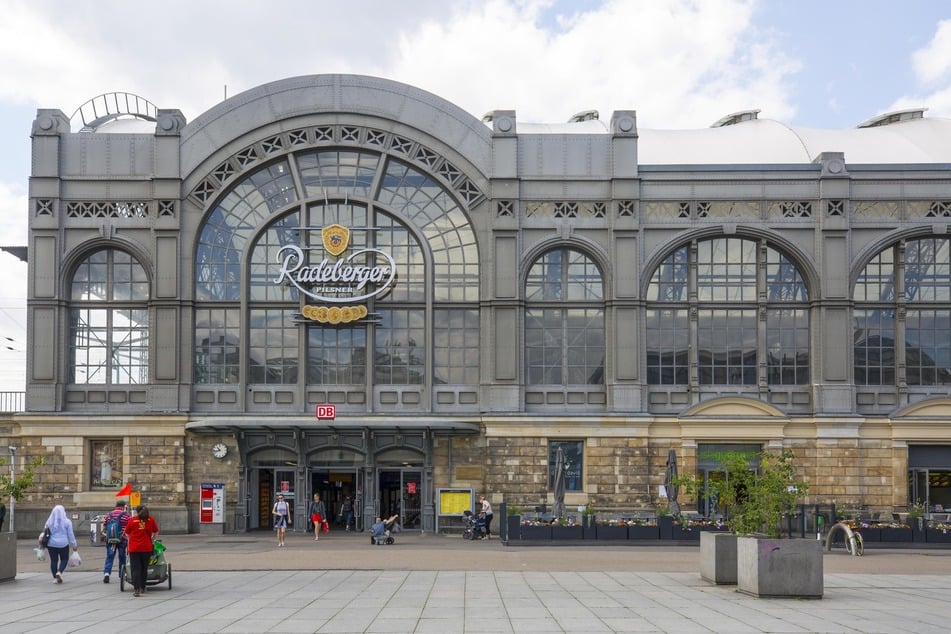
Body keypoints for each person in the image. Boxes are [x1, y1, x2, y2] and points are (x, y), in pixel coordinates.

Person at [123, 506, 158, 597]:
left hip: (134, 548)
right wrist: (152, 538)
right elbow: (156, 531)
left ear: (137, 512)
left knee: (135, 569)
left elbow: (126, 533)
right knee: (144, 568)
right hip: (146, 548)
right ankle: (143, 587)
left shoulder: (132, 521)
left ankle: (136, 589)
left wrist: (130, 539)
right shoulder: (150, 520)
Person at [43, 504, 78, 584]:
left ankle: (55, 578)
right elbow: (70, 534)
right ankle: (59, 572)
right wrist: (74, 545)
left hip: (51, 544)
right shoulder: (67, 522)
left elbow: (45, 532)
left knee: (53, 561)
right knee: (64, 559)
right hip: (63, 544)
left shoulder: (49, 522)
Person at [101, 500, 131, 583]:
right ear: (124, 507)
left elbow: (104, 526)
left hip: (111, 539)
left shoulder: (109, 515)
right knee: (122, 556)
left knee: (110, 556)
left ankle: (107, 573)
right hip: (122, 539)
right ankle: (122, 574)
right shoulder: (126, 515)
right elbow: (129, 527)